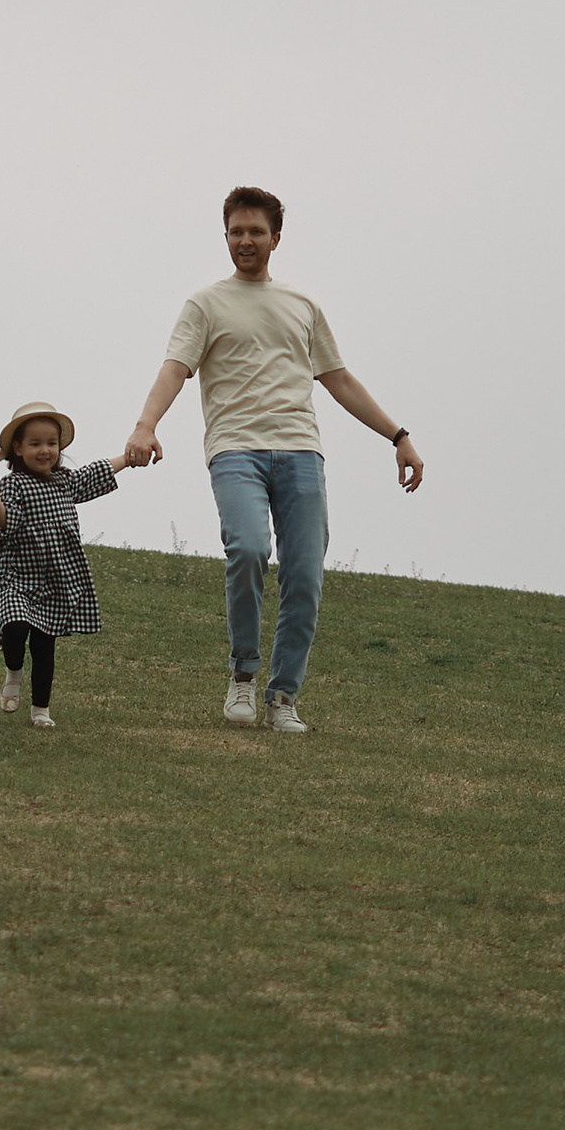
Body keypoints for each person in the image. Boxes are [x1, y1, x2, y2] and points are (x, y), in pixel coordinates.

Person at [124, 187, 422, 734]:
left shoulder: (302, 306)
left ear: (275, 239)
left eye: (255, 231)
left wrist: (397, 435)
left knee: (305, 576)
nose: (245, 240)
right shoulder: (206, 304)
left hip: (302, 453)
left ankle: (282, 696)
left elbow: (339, 379)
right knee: (248, 548)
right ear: (226, 237)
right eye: (236, 231)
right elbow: (174, 369)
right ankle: (243, 674)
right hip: (235, 448)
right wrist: (146, 425)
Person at [0, 402, 147, 727]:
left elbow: (96, 472)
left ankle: (40, 709)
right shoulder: (14, 484)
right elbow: (7, 523)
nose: (45, 450)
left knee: (45, 645)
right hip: (17, 576)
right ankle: (13, 671)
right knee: (15, 627)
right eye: (35, 444)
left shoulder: (65, 482)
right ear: (17, 448)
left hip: (58, 579)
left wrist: (128, 458)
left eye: (52, 443)